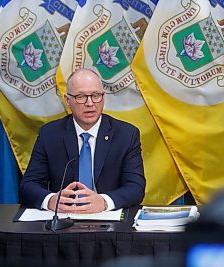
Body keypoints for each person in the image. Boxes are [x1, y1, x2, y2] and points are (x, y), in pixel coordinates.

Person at [19, 68, 145, 213]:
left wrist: (104, 201)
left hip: (109, 224)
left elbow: (136, 188)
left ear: (103, 98)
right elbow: (28, 185)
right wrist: (50, 200)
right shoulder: (50, 134)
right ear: (68, 100)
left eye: (96, 95)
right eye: (80, 96)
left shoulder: (126, 135)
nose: (90, 103)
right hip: (63, 222)